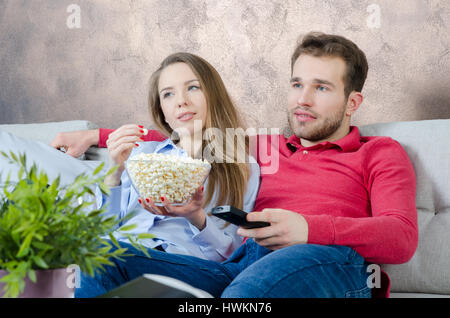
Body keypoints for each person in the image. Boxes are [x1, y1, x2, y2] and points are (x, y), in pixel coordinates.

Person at [60, 32, 418, 298]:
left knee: (243, 300)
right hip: (242, 264)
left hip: (328, 260)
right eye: (297, 84)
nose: (302, 100)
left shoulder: (380, 152)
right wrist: (98, 137)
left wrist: (308, 228)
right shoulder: (262, 146)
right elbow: (182, 129)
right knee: (103, 260)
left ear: (352, 101)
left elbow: (401, 239)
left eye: (321, 88)